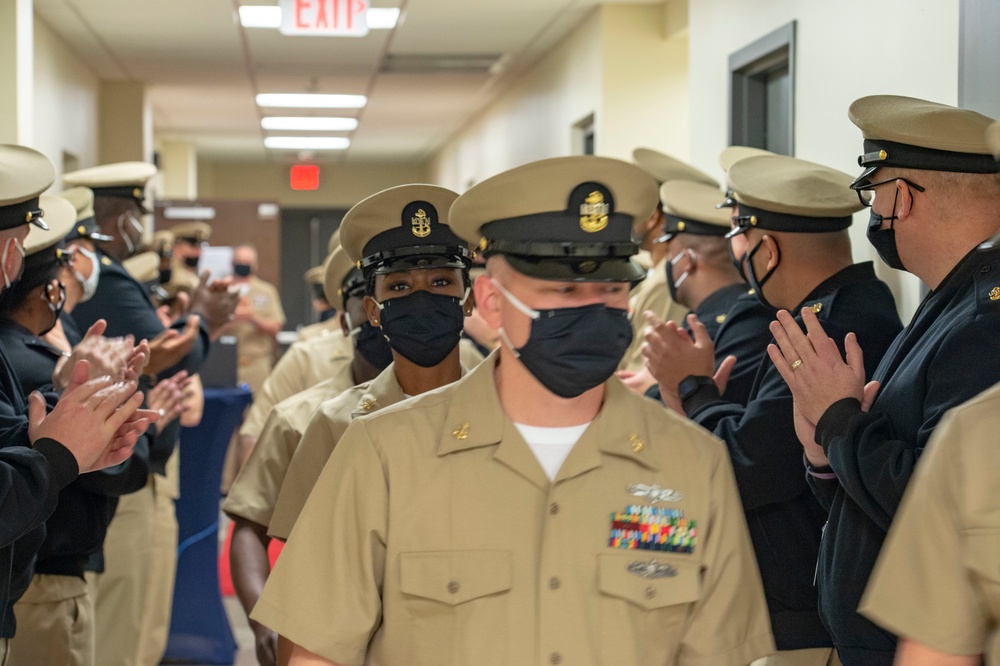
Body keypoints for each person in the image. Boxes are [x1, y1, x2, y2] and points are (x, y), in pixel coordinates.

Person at [252, 156, 774, 666]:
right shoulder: (384, 454)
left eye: (610, 289)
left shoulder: (691, 464)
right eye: (562, 289)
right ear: (491, 301)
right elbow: (315, 650)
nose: (589, 309)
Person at [766, 96, 1000, 666]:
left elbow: (938, 505)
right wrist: (825, 451)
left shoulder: (984, 319)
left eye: (874, 194)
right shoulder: (949, 300)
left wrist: (840, 420)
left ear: (901, 196)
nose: (874, 212)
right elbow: (874, 501)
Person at [647, 154, 903, 665]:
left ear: (767, 249)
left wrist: (693, 387)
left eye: (740, 237)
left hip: (805, 621)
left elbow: (747, 466)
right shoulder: (840, 310)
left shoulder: (824, 328)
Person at [62, 162, 237, 666]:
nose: (140, 226)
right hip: (121, 467)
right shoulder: (107, 280)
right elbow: (172, 353)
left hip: (137, 456)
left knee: (142, 628)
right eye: (136, 215)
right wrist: (201, 317)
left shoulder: (109, 276)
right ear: (120, 219)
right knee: (124, 633)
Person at [0, 144, 154, 661]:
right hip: (46, 578)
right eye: (17, 243)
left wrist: (79, 415)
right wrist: (60, 446)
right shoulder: (23, 354)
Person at [226, 245, 390, 666]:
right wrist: (264, 624)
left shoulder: (471, 382)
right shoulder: (303, 411)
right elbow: (250, 518)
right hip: (325, 629)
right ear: (345, 317)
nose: (383, 313)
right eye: (369, 300)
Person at [626, 178, 771, 406]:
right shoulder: (713, 317)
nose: (668, 263)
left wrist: (653, 389)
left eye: (670, 253)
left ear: (687, 261)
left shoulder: (732, 324)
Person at [617, 148, 710, 373]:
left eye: (637, 209)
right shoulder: (653, 273)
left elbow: (643, 374)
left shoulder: (664, 283)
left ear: (653, 217)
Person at [165, 221, 211, 296]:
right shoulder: (170, 275)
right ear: (175, 246)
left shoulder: (190, 274)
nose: (198, 252)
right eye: (193, 246)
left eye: (199, 247)